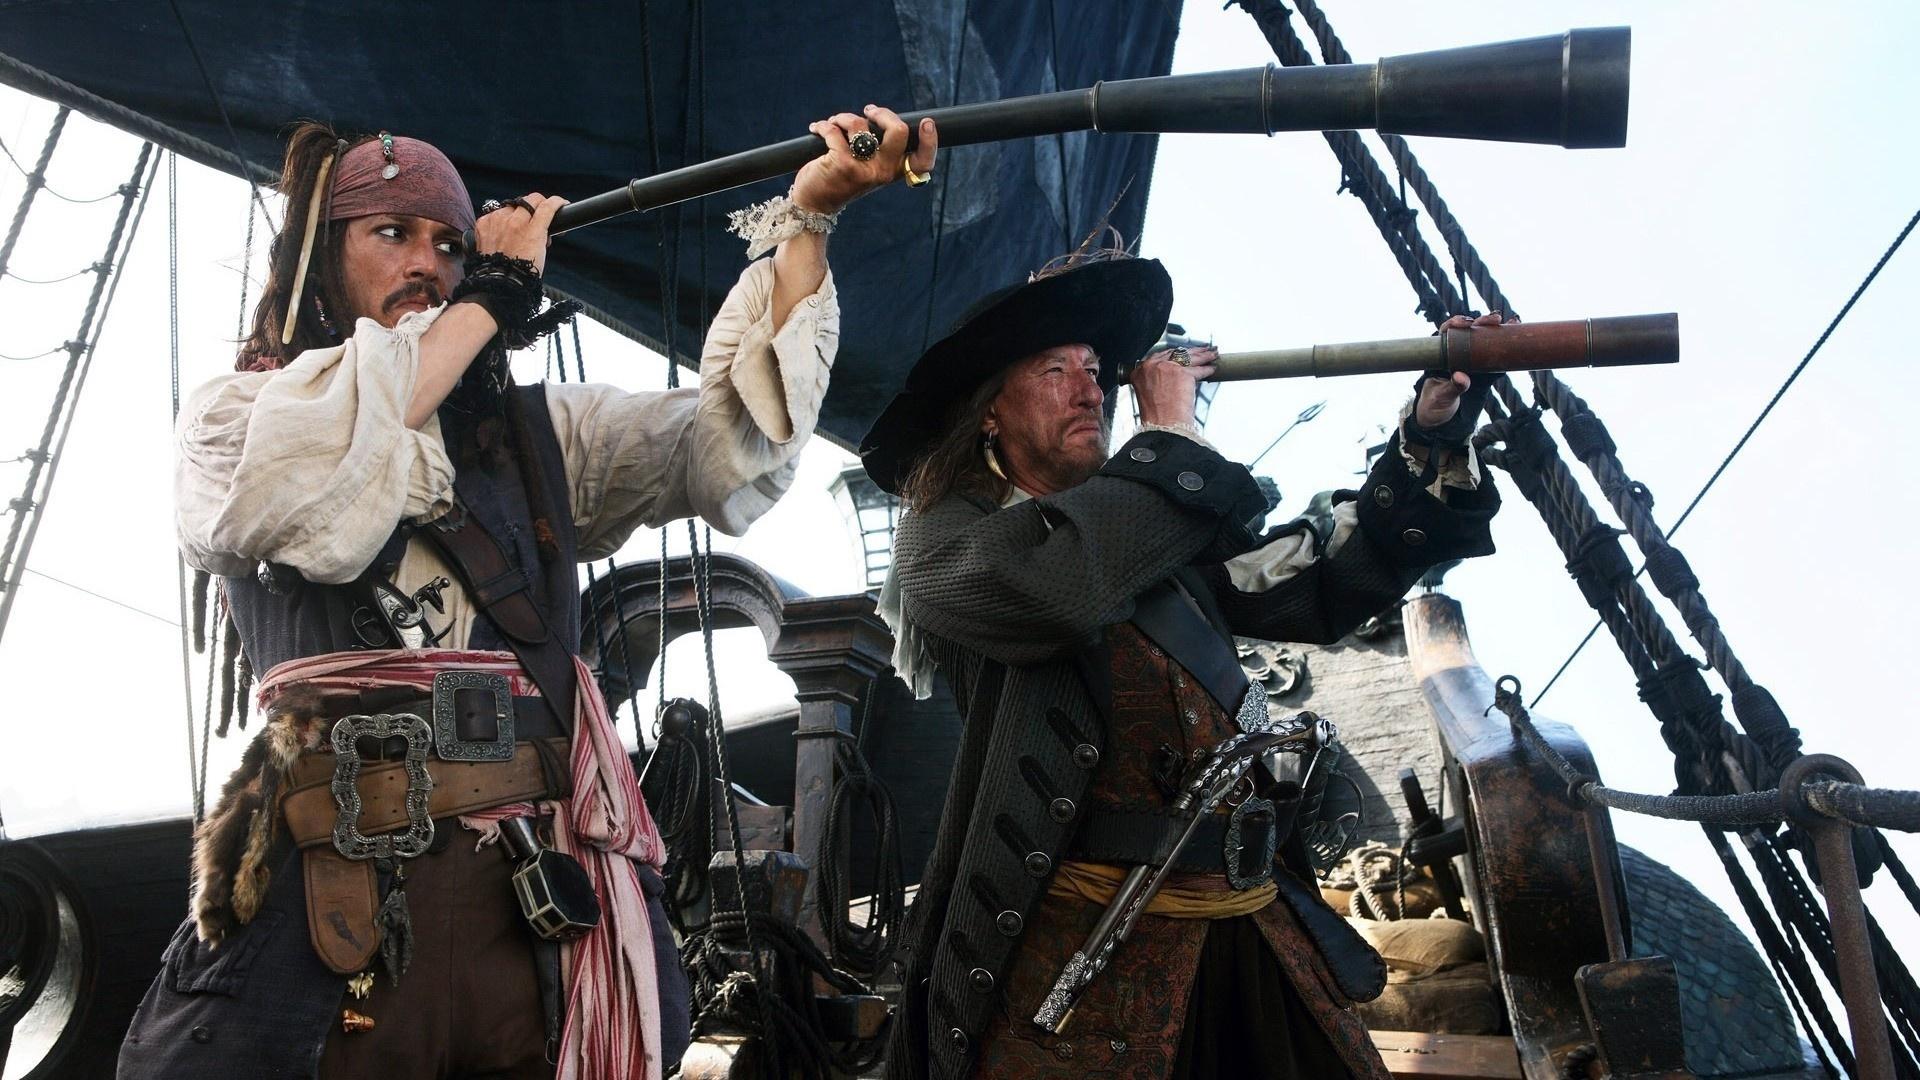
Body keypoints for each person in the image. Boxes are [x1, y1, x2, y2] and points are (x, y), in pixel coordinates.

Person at [119, 106, 937, 1080]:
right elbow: (314, 482)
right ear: (320, 258)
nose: (427, 263)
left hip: (529, 914)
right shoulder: (242, 418)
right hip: (334, 906)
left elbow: (728, 441)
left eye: (451, 245)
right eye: (392, 233)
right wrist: (492, 293)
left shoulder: (543, 436)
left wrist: (808, 218)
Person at [861, 246, 1503, 1079]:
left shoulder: (1149, 537)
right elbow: (1055, 592)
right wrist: (1167, 436)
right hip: (1078, 952)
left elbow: (1318, 582)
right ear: (989, 411)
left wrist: (1428, 433)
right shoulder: (943, 541)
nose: (1092, 389)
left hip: (1249, 923)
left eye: (1095, 371)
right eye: (1056, 369)